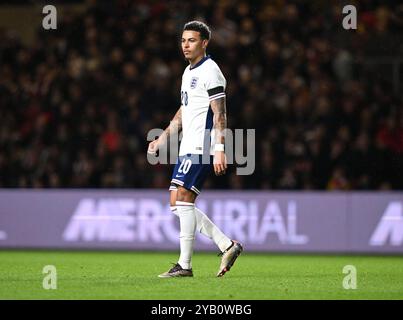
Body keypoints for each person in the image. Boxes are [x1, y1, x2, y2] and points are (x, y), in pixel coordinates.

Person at [148, 21, 243, 278]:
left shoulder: (211, 70)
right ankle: (227, 244)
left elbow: (220, 113)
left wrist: (220, 148)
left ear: (204, 43)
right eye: (183, 40)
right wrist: (163, 138)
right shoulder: (188, 72)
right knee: (175, 203)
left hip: (203, 143)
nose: (185, 45)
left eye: (191, 40)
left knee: (183, 200)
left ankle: (185, 265)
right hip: (187, 144)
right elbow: (183, 111)